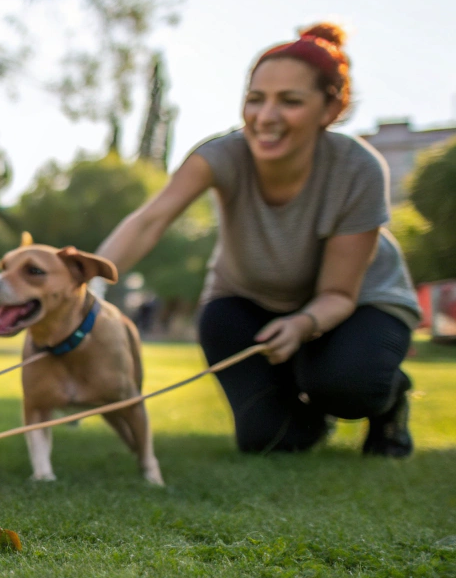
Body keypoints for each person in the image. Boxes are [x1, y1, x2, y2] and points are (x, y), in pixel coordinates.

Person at [97, 23, 421, 457]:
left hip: (355, 305)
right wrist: (88, 285)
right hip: (246, 303)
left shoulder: (358, 168)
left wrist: (304, 325)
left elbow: (339, 293)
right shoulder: (220, 155)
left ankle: (389, 399)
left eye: (290, 101)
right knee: (267, 440)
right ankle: (306, 413)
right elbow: (150, 220)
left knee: (346, 386)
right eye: (255, 99)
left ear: (329, 109)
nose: (265, 117)